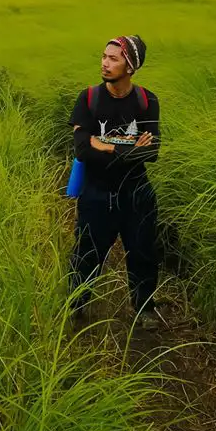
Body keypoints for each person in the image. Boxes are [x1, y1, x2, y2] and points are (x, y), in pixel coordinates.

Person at [67, 34, 162, 330]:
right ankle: (77, 306)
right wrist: (126, 149)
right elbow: (82, 149)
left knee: (143, 252)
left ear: (130, 66)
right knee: (87, 253)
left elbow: (153, 153)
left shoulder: (147, 101)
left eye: (113, 59)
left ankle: (144, 307)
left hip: (137, 193)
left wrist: (103, 145)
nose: (105, 64)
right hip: (97, 192)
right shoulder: (89, 98)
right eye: (104, 57)